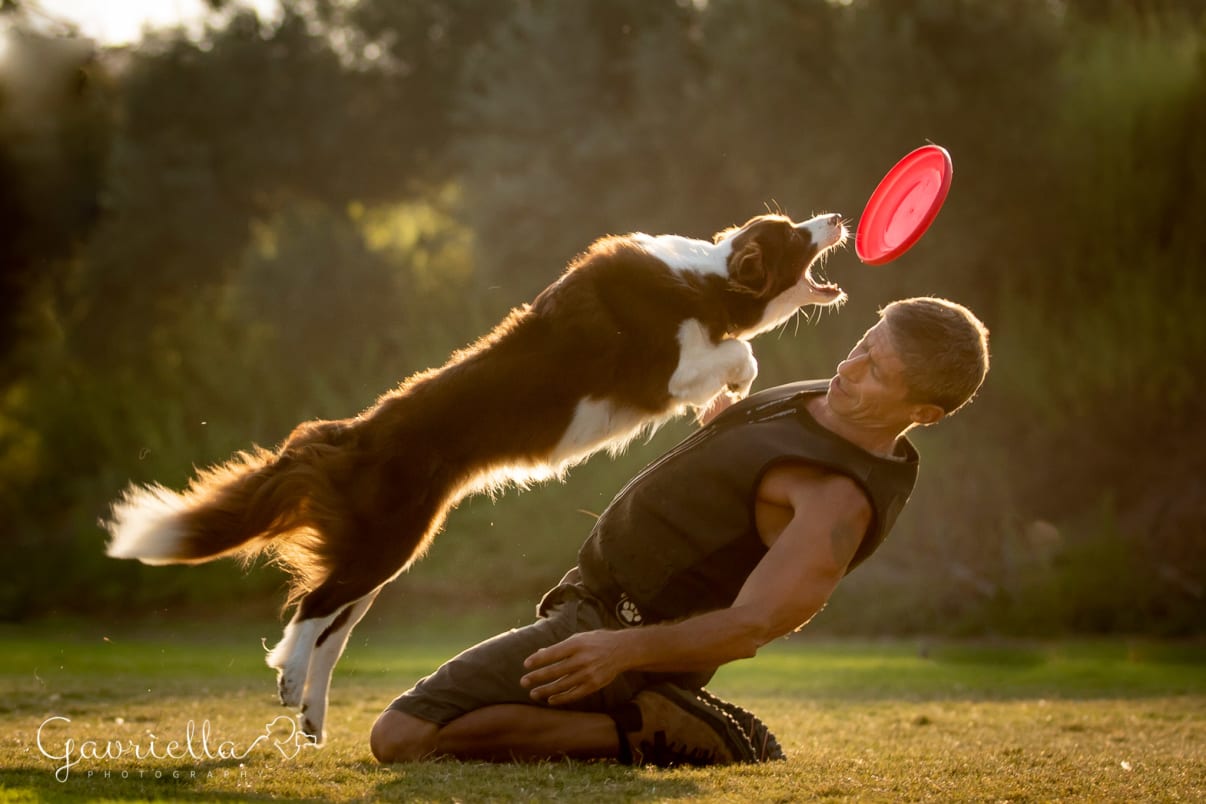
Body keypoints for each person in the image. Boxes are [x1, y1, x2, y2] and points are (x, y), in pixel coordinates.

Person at [370, 296, 990, 767]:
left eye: (877, 371)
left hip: (620, 639)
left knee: (401, 738)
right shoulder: (826, 402)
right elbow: (743, 480)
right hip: (593, 607)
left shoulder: (836, 501)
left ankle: (656, 731)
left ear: (923, 414)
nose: (850, 367)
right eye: (863, 343)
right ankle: (649, 719)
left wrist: (622, 653)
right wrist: (723, 428)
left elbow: (753, 626)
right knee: (441, 730)